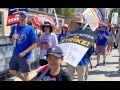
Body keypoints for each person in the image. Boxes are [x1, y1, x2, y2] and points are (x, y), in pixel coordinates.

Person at [9, 11, 38, 81]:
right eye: (21, 16)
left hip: (25, 56)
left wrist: (24, 52)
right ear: (18, 18)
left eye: (24, 17)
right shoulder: (14, 27)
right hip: (15, 54)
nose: (23, 18)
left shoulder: (30, 29)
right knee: (11, 70)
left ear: (27, 19)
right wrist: (12, 38)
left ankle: (25, 79)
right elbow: (10, 40)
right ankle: (23, 79)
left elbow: (34, 44)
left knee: (25, 74)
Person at [67, 14, 88, 81]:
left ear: (77, 24)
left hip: (81, 61)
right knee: (69, 77)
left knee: (81, 78)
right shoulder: (70, 33)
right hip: (71, 59)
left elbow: (91, 44)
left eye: (72, 23)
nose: (70, 24)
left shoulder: (85, 34)